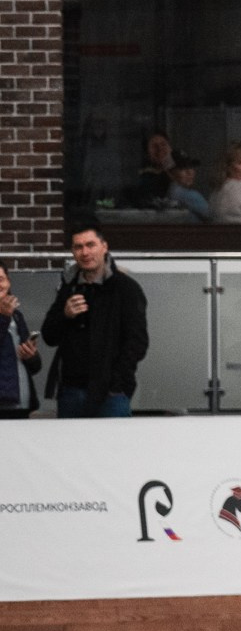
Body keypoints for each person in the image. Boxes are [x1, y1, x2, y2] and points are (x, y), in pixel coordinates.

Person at [39, 224, 149, 419]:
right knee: (71, 448)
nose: (85, 252)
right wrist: (65, 315)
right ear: (72, 251)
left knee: (114, 448)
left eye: (90, 245)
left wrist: (116, 382)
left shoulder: (125, 288)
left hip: (111, 392)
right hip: (71, 389)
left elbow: (138, 342)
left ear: (104, 246)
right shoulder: (69, 287)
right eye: (78, 247)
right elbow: (49, 336)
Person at [0, 262, 43, 417]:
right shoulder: (7, 314)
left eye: (1, 279)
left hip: (21, 401)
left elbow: (35, 367)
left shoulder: (17, 315)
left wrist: (31, 356)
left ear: (8, 282)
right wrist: (3, 317)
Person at [121, 131, 175, 207]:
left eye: (163, 144)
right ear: (147, 153)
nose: (160, 149)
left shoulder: (180, 172)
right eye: (154, 146)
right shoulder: (145, 177)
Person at [164, 152, 211, 221]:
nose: (190, 172)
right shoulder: (189, 195)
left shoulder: (170, 192)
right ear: (170, 173)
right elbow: (214, 218)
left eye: (191, 166)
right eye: (182, 168)